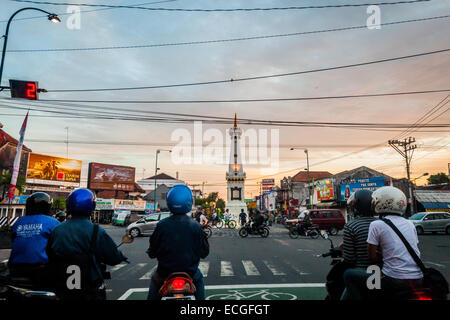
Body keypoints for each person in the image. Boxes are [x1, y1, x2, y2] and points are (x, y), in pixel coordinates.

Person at [46, 188, 127, 300]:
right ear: (91, 206)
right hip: (90, 288)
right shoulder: (96, 231)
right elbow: (112, 257)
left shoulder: (57, 230)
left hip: (62, 287)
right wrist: (120, 256)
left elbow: (49, 254)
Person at [147, 185, 209, 300]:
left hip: (164, 273)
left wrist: (153, 252)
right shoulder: (195, 226)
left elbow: (152, 251)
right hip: (190, 273)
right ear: (189, 203)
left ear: (169, 202)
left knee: (154, 281)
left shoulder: (162, 225)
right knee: (199, 280)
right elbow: (205, 252)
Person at [367, 186, 424, 299]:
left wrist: (381, 254)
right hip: (419, 278)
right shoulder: (410, 224)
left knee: (368, 288)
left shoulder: (376, 224)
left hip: (394, 278)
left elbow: (371, 257)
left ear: (382, 203)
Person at [8, 192, 60, 289]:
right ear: (47, 207)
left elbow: (13, 240)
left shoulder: (19, 222)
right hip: (40, 270)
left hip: (14, 269)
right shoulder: (53, 222)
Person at [340, 190, 377, 300]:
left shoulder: (351, 226)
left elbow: (349, 259)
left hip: (361, 273)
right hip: (381, 273)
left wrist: (343, 252)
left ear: (356, 207)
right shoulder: (382, 223)